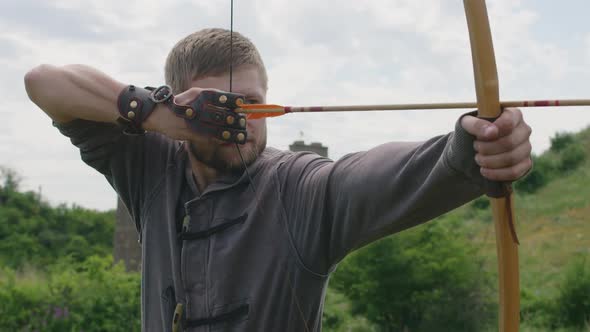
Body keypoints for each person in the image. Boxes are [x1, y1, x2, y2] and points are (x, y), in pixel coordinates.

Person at [24, 28, 532, 331]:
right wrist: (160, 117)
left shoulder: (301, 190)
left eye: (251, 102)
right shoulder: (151, 168)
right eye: (219, 107)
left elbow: (379, 174)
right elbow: (43, 82)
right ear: (180, 106)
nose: (239, 120)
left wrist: (473, 147)